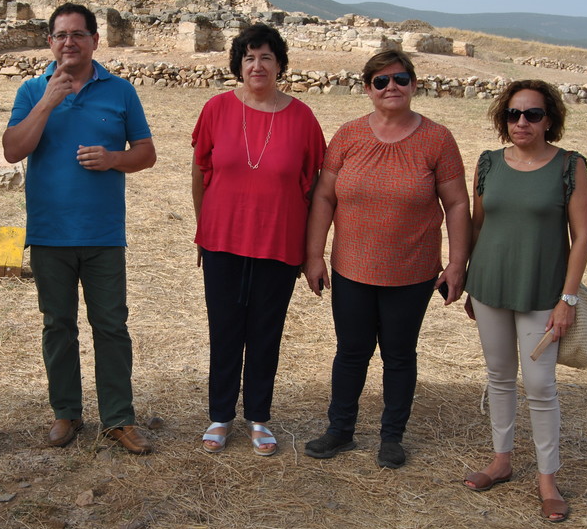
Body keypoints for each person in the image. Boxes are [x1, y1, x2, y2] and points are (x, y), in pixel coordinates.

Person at [302, 50, 471, 469]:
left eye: (399, 79)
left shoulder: (437, 139)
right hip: (352, 267)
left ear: (414, 85)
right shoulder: (349, 136)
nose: (390, 87)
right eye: (380, 81)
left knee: (399, 354)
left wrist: (456, 263)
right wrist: (314, 254)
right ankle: (340, 431)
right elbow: (324, 195)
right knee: (351, 352)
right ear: (367, 89)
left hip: (412, 271)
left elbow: (457, 204)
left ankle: (391, 437)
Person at [1, 2, 157, 454]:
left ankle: (118, 418)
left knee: (111, 326)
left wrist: (113, 159)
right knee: (58, 326)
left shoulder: (121, 91)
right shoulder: (32, 90)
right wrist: (48, 102)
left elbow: (146, 153)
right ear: (49, 42)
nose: (68, 42)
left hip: (104, 234)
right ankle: (66, 412)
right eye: (60, 35)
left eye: (78, 34)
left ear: (94, 40)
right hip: (49, 233)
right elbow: (13, 150)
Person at [192, 24, 326, 456]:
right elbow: (200, 173)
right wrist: (203, 228)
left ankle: (259, 417)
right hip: (222, 239)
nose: (257, 65)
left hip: (279, 241)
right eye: (249, 57)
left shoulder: (302, 118)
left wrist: (312, 252)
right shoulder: (216, 109)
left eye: (266, 57)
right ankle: (220, 415)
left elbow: (316, 185)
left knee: (266, 332)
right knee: (225, 329)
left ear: (280, 64)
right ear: (238, 64)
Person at [461, 80, 587, 523]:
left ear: (548, 119)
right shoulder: (488, 164)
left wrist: (568, 298)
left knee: (540, 386)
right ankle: (501, 461)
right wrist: (466, 280)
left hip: (543, 291)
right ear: (504, 117)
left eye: (532, 114)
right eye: (514, 114)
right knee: (499, 376)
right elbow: (478, 226)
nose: (522, 122)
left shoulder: (570, 166)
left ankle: (547, 479)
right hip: (490, 286)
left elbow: (582, 237)